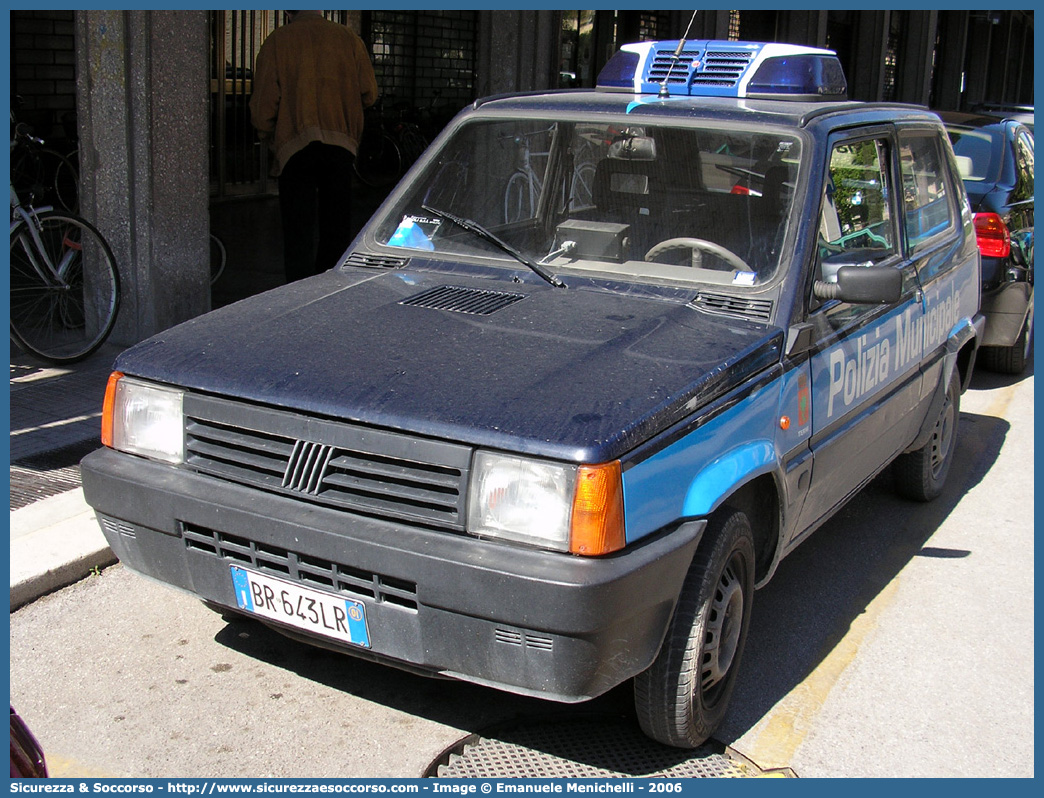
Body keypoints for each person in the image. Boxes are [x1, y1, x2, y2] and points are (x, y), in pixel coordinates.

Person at [250, 11, 379, 283]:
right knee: (336, 225)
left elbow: (264, 104)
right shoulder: (349, 39)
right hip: (340, 144)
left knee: (298, 229)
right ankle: (328, 287)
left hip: (294, 145)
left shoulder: (277, 41)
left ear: (288, 11)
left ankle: (298, 290)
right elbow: (370, 93)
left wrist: (266, 132)